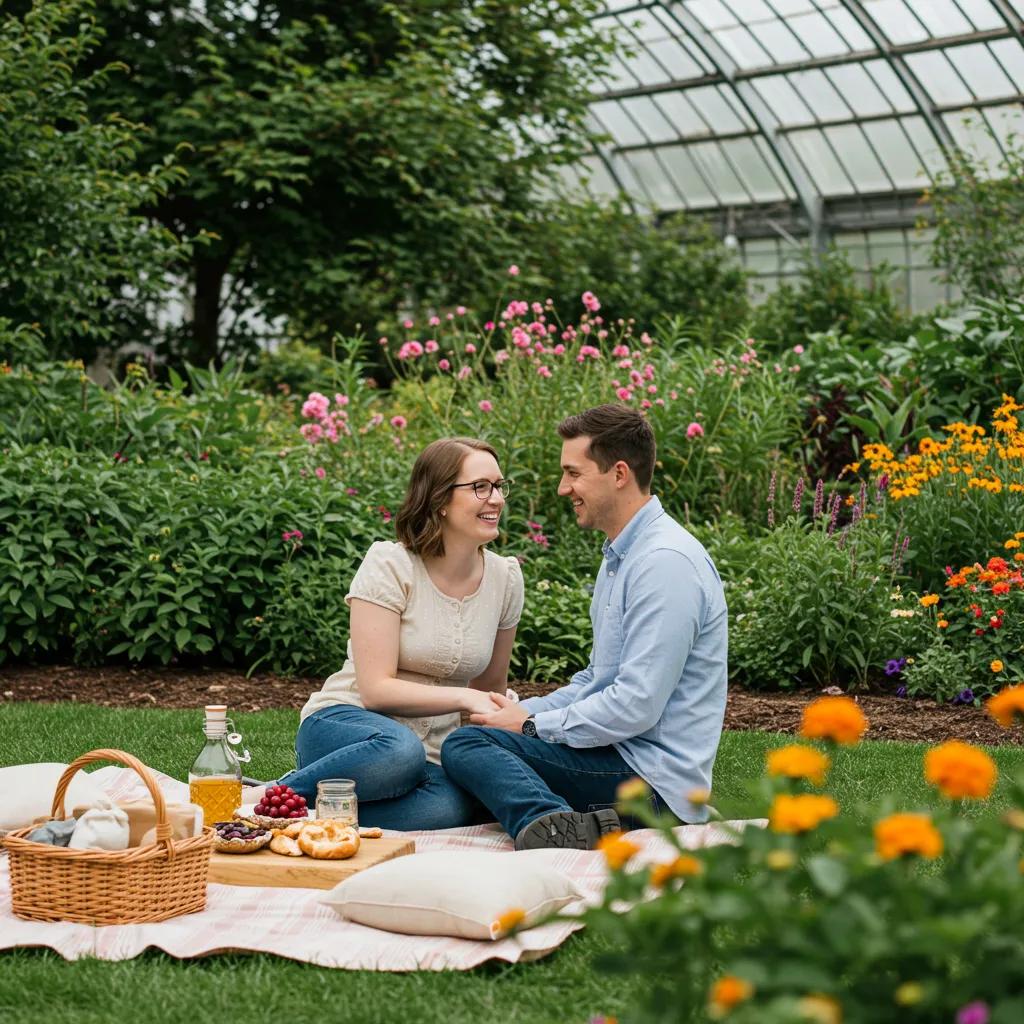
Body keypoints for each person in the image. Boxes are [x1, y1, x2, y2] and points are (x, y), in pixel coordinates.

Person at [441, 404, 728, 850]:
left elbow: (635, 705)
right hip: (619, 759)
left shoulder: (664, 563)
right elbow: (597, 680)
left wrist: (533, 727)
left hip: (652, 783)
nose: (563, 488)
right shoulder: (623, 556)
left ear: (618, 474)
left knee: (468, 748)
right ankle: (579, 818)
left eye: (573, 473)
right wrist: (521, 715)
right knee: (480, 749)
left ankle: (555, 825)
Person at [256, 437, 524, 830]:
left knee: (455, 806)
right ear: (440, 500)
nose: (496, 499)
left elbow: (489, 694)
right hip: (351, 727)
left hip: (431, 754)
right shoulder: (390, 564)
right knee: (399, 754)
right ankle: (267, 800)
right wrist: (466, 695)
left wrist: (482, 758)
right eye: (480, 487)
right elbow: (376, 690)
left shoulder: (506, 578)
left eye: (500, 486)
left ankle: (309, 813)